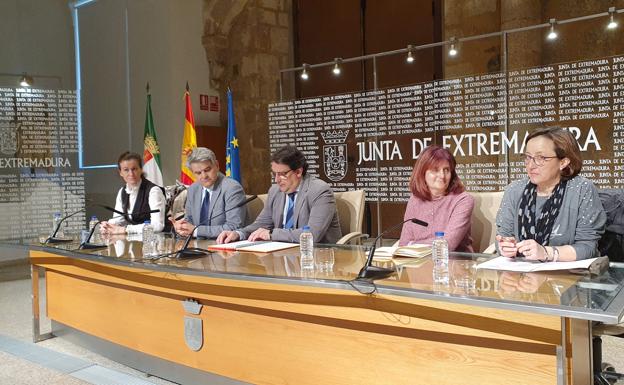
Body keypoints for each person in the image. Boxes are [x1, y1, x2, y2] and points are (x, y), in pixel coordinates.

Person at [496, 127, 606, 261]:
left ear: (563, 162)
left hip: (570, 276)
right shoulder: (514, 190)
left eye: (541, 158)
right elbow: (503, 236)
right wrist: (506, 247)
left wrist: (546, 253)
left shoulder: (581, 189)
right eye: (528, 157)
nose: (531, 165)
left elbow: (588, 248)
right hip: (521, 275)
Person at [216, 145, 342, 244]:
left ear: (298, 172)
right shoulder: (275, 191)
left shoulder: (320, 190)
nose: (277, 180)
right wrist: (239, 233)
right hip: (282, 254)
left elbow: (313, 234)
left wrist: (271, 234)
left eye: (282, 174)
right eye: (274, 174)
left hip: (318, 257)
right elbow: (261, 224)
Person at [399, 145, 474, 252]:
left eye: (446, 170)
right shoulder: (414, 200)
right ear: (422, 173)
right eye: (435, 170)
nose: (442, 176)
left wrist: (413, 245)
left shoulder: (463, 200)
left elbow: (448, 244)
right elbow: (403, 243)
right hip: (417, 263)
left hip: (454, 263)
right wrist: (410, 245)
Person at [170, 147, 247, 238]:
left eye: (207, 170)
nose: (204, 176)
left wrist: (195, 231)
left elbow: (234, 226)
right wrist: (182, 227)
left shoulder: (232, 188)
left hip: (224, 246)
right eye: (198, 173)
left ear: (217, 166)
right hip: (198, 246)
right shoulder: (193, 189)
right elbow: (189, 221)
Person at [100, 151, 166, 234]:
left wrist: (126, 230)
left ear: (141, 170)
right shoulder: (122, 191)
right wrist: (108, 225)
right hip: (132, 241)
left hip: (153, 242)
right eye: (126, 170)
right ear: (120, 173)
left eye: (134, 169)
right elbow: (119, 219)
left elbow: (158, 226)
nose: (131, 174)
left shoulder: (153, 191)